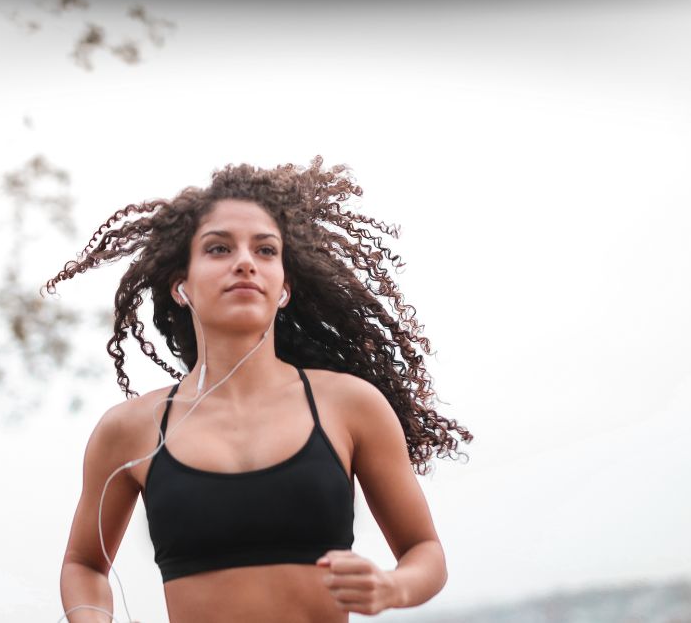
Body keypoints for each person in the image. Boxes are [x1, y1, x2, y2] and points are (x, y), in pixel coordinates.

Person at [45, 157, 472, 622]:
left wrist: (391, 587)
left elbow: (424, 551)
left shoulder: (350, 406)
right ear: (181, 286)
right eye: (219, 249)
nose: (246, 262)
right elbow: (84, 564)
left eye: (266, 250)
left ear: (284, 287)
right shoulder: (130, 429)